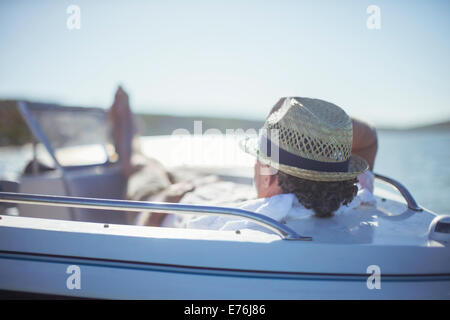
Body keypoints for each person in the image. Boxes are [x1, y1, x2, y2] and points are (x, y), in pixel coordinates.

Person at [108, 87, 378, 230]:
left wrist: (164, 204)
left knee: (141, 165)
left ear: (269, 174)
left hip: (172, 197)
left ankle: (127, 130)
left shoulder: (238, 227)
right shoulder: (351, 200)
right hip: (208, 188)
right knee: (164, 168)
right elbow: (371, 139)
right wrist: (319, 129)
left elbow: (145, 235)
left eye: (258, 159)